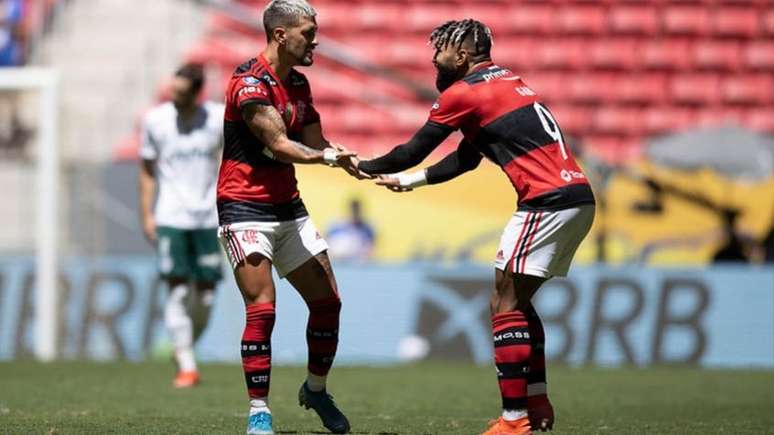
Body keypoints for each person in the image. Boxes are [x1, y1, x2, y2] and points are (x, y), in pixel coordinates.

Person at [357, 19, 596, 435]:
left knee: (503, 306)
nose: (434, 57)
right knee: (517, 304)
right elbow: (465, 160)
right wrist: (410, 183)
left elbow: (412, 150)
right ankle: (536, 404)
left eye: (441, 50)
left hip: (545, 202)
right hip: (577, 198)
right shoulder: (503, 83)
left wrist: (359, 165)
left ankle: (514, 420)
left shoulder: (464, 92)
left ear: (463, 56)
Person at [215, 1, 365, 433]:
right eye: (308, 32)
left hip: (289, 208)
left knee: (328, 303)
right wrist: (325, 157)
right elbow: (280, 144)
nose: (315, 40)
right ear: (281, 35)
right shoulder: (248, 84)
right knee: (263, 309)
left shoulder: (299, 84)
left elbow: (317, 141)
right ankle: (258, 410)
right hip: (243, 207)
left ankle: (315, 390)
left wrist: (353, 162)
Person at [138, 64, 224, 388]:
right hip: (171, 217)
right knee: (176, 289)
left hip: (208, 217)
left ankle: (184, 348)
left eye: (183, 94)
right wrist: (147, 213)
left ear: (197, 93)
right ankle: (187, 364)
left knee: (205, 298)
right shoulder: (156, 120)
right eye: (173, 91)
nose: (175, 98)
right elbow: (146, 169)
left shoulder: (216, 119)